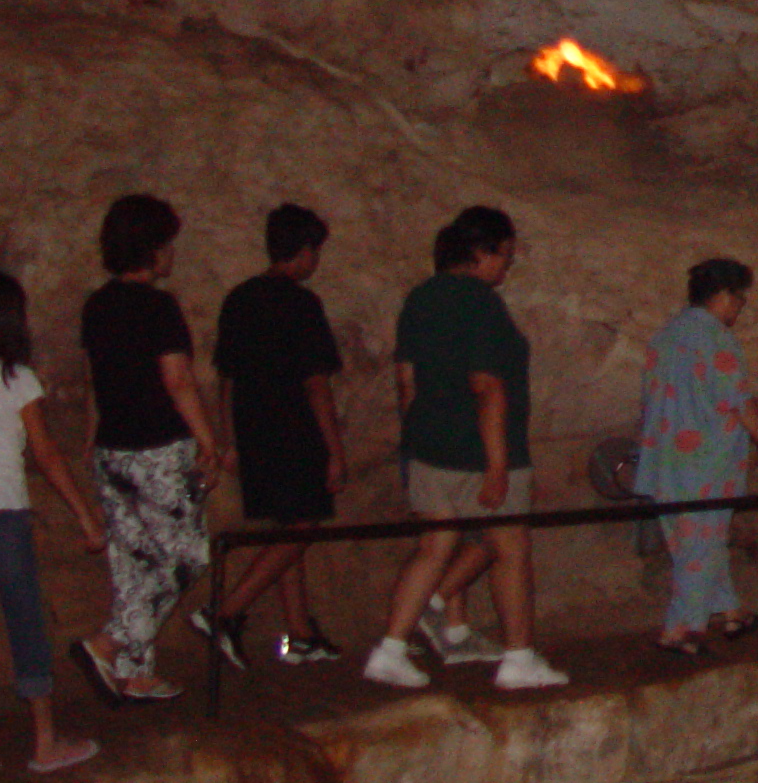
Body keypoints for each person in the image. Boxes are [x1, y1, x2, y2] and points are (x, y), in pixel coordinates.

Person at [364, 207, 567, 691]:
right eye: (504, 255)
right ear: (480, 252)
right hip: (479, 448)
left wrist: (414, 441)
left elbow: (406, 378)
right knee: (511, 550)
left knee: (435, 547)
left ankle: (390, 650)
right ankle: (519, 658)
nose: (506, 265)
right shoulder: (479, 303)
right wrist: (497, 464)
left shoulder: (420, 299)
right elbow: (487, 385)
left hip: (429, 445)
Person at [74, 194, 221, 705]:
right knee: (188, 555)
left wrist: (93, 437)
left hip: (112, 449)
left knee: (134, 561)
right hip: (158, 448)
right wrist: (208, 439)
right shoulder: (158, 307)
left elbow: (96, 379)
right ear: (154, 248)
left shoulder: (97, 305)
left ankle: (136, 672)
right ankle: (109, 641)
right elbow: (177, 380)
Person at [197, 204, 347, 667]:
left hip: (253, 430)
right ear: (304, 252)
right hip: (294, 431)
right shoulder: (302, 304)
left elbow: (226, 377)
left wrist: (228, 440)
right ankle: (224, 612)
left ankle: (299, 635)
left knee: (287, 528)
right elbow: (316, 384)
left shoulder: (239, 298)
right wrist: (334, 451)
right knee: (303, 527)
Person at [0, 271, 101, 776]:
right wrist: (85, 514)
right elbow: (45, 453)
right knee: (26, 622)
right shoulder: (17, 377)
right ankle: (44, 743)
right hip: (2, 511)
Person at [636, 257, 758, 655]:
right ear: (722, 296)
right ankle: (681, 631)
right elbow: (740, 404)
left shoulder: (665, 336)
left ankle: (732, 612)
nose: (740, 308)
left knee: (694, 543)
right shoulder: (716, 339)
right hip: (704, 465)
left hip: (663, 462)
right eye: (739, 300)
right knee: (700, 547)